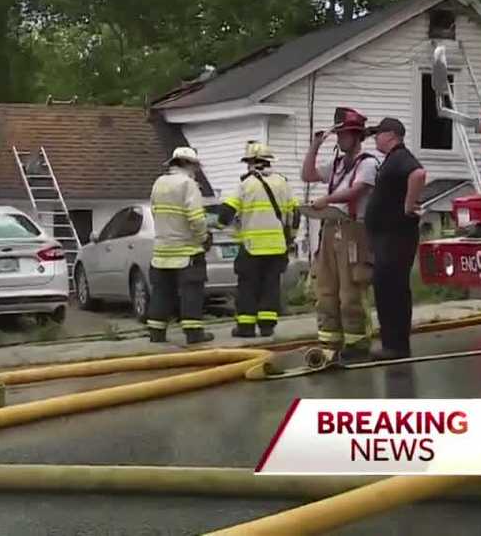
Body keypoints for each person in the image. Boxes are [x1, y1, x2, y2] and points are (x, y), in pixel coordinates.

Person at [300, 108, 381, 364]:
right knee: (326, 289)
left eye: (344, 135)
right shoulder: (336, 165)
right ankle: (330, 344)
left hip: (353, 231)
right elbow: (308, 175)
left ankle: (357, 345)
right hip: (330, 229)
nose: (340, 140)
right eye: (338, 135)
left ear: (356, 137)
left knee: (351, 292)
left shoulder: (368, 163)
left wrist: (327, 199)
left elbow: (356, 191)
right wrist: (315, 145)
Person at [214, 141, 298, 339]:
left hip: (252, 247)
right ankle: (267, 326)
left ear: (251, 163)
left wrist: (218, 227)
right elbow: (295, 214)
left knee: (247, 287)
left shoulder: (246, 184)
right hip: (277, 247)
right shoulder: (283, 183)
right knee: (271, 286)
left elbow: (226, 213)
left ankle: (246, 327)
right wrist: (290, 238)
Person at [363, 117, 427, 360]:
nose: (375, 138)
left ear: (390, 135)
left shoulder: (401, 156)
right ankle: (392, 343)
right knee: (385, 288)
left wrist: (408, 206)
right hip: (386, 236)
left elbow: (419, 174)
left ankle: (396, 345)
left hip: (396, 236)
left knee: (393, 289)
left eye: (378, 134)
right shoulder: (391, 160)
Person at [146, 146, 214, 345]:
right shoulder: (188, 184)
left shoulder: (159, 183)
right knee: (191, 292)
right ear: (188, 164)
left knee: (161, 293)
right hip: (187, 252)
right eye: (194, 166)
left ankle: (156, 333)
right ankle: (194, 334)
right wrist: (203, 237)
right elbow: (195, 218)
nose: (196, 171)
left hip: (161, 251)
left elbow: (154, 211)